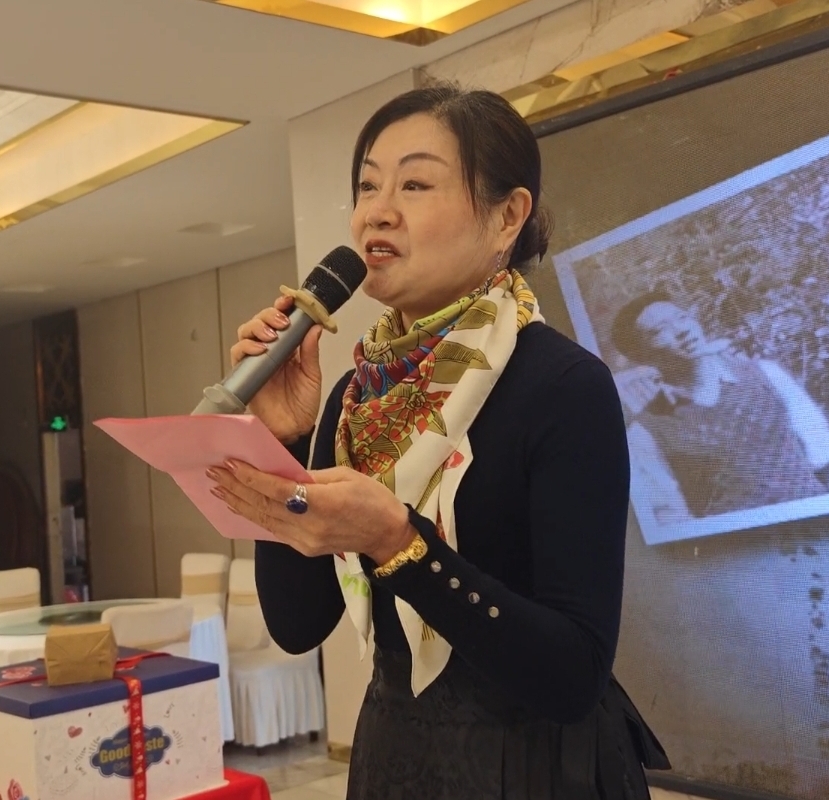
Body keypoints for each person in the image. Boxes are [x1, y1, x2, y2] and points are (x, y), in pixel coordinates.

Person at [206, 83, 669, 799]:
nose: (377, 211)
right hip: (396, 756)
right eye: (368, 186)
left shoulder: (562, 386)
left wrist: (399, 544)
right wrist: (285, 440)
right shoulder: (355, 398)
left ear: (506, 216)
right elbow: (297, 625)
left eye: (415, 184)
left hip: (536, 769)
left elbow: (574, 674)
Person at [610, 293, 829, 525]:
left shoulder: (766, 374)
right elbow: (671, 518)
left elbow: (828, 456)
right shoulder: (646, 430)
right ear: (641, 355)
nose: (682, 330)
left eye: (682, 318)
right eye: (659, 331)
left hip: (819, 522)